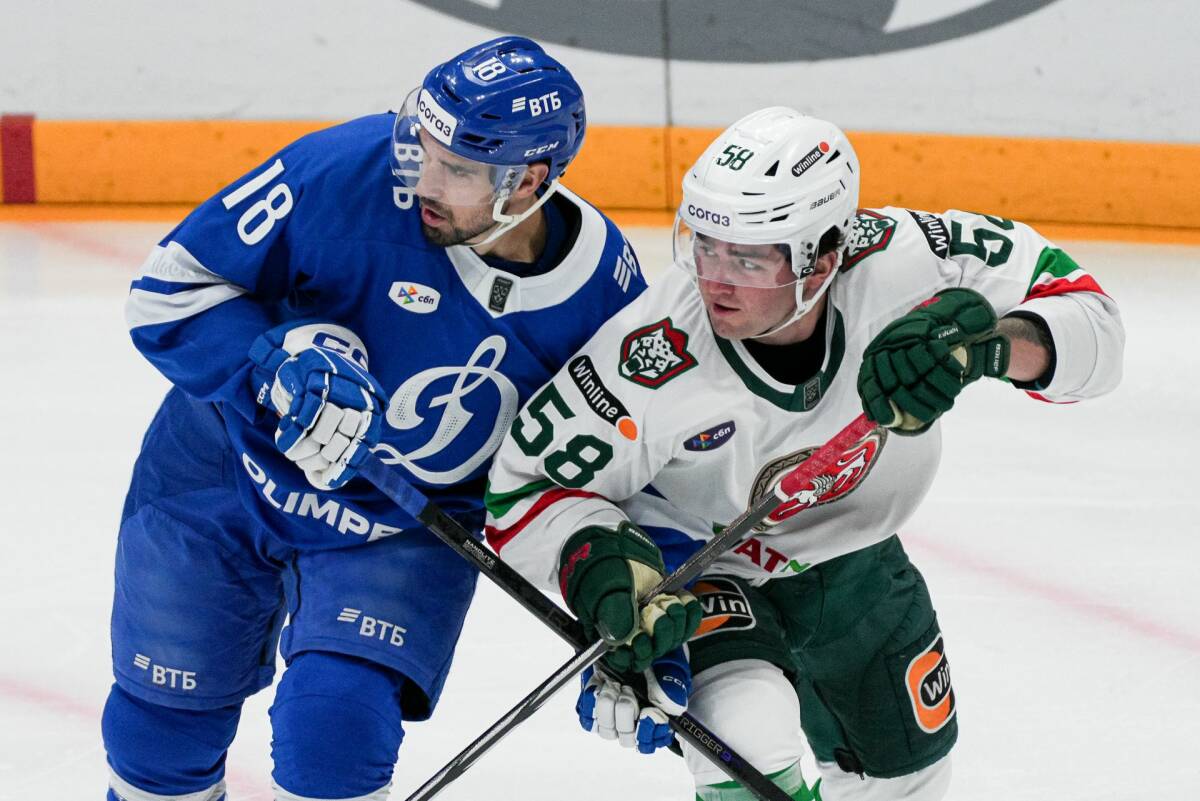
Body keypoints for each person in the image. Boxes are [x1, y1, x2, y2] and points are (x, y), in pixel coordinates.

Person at [484, 106, 1124, 800]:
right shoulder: (653, 356)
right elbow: (525, 488)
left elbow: (1094, 320)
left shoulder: (911, 260)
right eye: (706, 246)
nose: (715, 281)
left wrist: (991, 348)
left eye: (748, 259)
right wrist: (600, 567)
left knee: (910, 776)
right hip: (707, 566)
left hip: (857, 557)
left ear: (822, 258)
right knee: (743, 742)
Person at [103, 36, 649, 801]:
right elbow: (169, 291)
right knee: (157, 735)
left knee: (335, 733)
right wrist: (270, 363)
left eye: (458, 169)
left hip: (404, 518)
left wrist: (636, 616)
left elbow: (622, 476)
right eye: (422, 147)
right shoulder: (345, 170)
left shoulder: (604, 299)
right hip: (223, 463)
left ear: (528, 180)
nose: (424, 179)